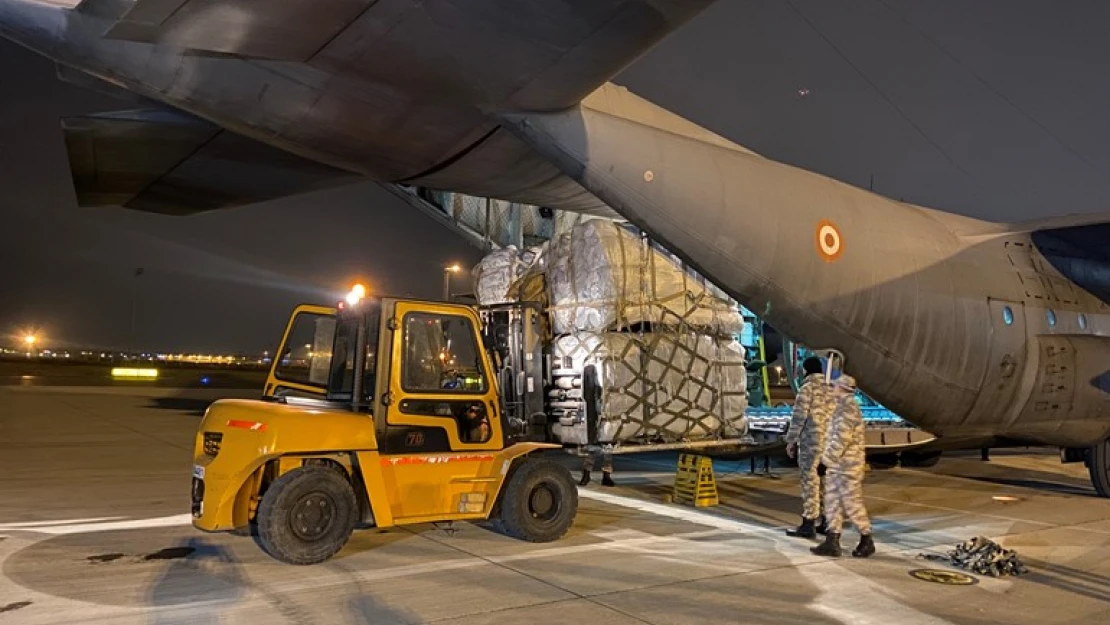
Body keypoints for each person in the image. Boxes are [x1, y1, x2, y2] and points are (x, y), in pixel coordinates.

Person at [812, 375, 875, 558]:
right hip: (838, 466)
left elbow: (841, 439)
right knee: (832, 503)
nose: (832, 389)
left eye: (834, 386)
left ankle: (866, 538)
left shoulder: (848, 409)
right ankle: (832, 540)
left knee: (851, 504)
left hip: (848, 467)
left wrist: (825, 461)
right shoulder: (840, 407)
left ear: (843, 388)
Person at [784, 356, 835, 539]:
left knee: (810, 482)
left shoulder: (807, 389)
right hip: (830, 445)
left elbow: (799, 417)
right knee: (827, 483)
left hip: (811, 444)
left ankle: (808, 524)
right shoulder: (832, 390)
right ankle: (827, 522)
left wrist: (791, 441)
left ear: (806, 370)